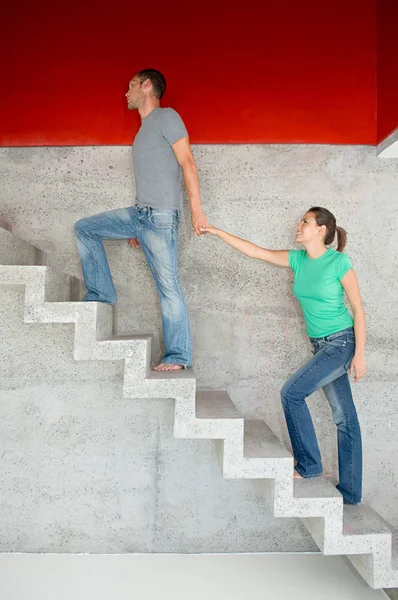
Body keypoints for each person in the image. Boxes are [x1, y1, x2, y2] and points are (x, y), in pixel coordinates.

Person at [201, 207, 365, 505]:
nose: (299, 225)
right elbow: (255, 252)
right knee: (344, 417)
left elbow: (358, 310)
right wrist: (217, 231)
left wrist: (360, 355)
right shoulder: (298, 260)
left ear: (321, 230)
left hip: (342, 343)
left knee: (292, 393)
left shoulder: (339, 263)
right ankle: (351, 494)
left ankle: (309, 466)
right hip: (321, 345)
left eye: (306, 221)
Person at [74, 69, 208, 371]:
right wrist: (136, 228)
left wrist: (196, 210)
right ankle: (102, 293)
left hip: (160, 217)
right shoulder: (144, 129)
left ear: (147, 86)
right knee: (85, 228)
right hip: (140, 215)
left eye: (131, 86)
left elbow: (187, 161)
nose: (126, 92)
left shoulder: (167, 116)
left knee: (168, 287)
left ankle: (178, 355)